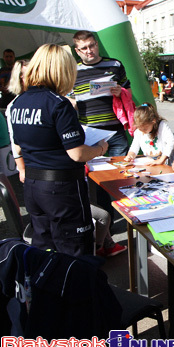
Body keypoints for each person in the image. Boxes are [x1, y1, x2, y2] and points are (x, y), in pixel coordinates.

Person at [8, 44, 108, 257]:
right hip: (62, 189)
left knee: (43, 249)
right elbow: (77, 153)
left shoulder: (18, 103)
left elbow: (19, 144)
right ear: (62, 71)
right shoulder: (58, 104)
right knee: (74, 252)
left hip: (34, 187)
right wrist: (100, 148)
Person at [72, 30, 131, 157]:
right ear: (77, 51)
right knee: (94, 174)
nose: (89, 50)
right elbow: (69, 99)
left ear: (97, 44)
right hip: (90, 132)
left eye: (92, 45)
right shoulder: (72, 70)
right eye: (84, 48)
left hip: (116, 131)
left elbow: (129, 92)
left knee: (120, 171)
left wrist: (121, 92)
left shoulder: (115, 65)